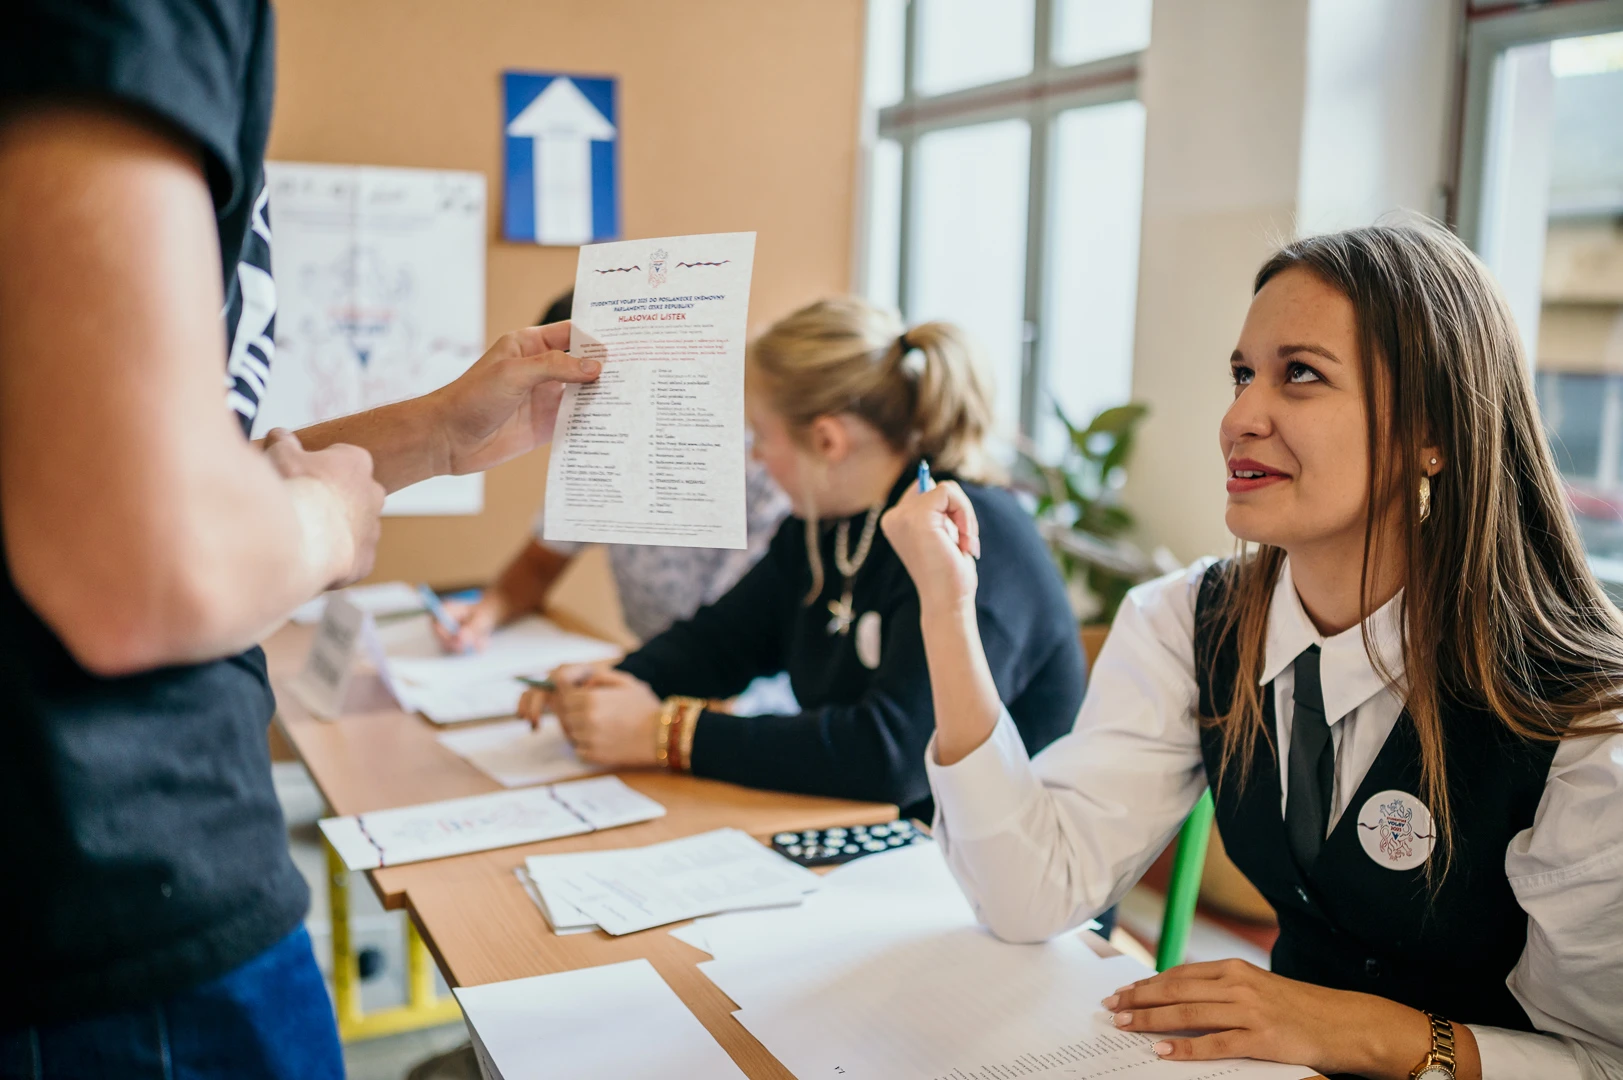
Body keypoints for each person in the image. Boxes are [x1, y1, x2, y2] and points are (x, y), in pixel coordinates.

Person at [0, 4, 599, 1076]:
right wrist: (324, 526)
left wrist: (437, 437)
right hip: (112, 891)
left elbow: (131, 455)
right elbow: (138, 564)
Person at [881, 224, 1623, 1080]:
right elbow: (1027, 894)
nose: (1238, 418)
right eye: (1242, 375)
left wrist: (1369, 1033)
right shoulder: (1186, 621)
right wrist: (947, 606)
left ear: (1433, 431)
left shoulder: (1580, 720)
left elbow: (1601, 1060)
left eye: (1298, 375)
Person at [519, 296, 1088, 827]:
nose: (757, 456)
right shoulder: (825, 528)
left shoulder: (965, 535)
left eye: (761, 436)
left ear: (827, 441)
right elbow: (722, 643)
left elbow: (891, 757)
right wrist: (616, 681)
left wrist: (665, 734)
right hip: (881, 846)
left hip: (990, 880)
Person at [435, 290, 793, 654]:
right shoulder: (602, 450)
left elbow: (736, 632)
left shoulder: (759, 464)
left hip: (746, 685)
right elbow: (538, 565)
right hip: (657, 665)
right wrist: (486, 613)